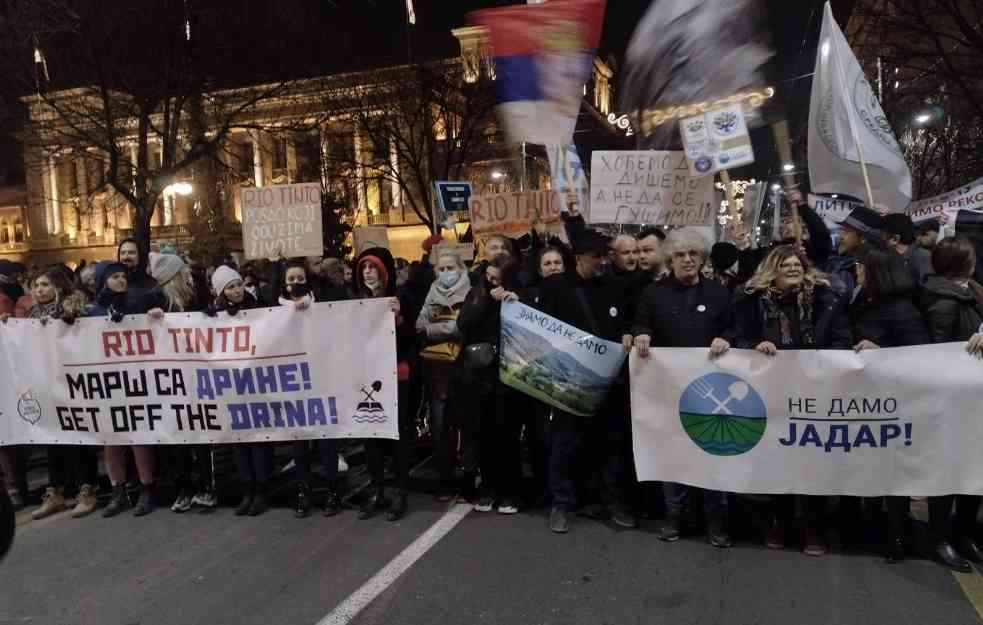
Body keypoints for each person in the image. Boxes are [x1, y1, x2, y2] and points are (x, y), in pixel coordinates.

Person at [729, 245, 852, 556]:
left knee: (812, 460)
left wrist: (828, 361)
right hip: (771, 390)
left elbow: (841, 338)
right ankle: (779, 522)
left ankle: (812, 527)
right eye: (787, 265)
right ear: (773, 270)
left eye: (798, 264)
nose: (794, 269)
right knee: (778, 457)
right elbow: (739, 337)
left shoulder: (826, 299)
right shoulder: (752, 301)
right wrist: (757, 345)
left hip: (815, 391)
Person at [633, 228, 735, 547]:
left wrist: (728, 338)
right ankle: (675, 516)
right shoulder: (653, 293)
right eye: (680, 255)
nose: (687, 259)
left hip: (712, 390)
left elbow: (736, 326)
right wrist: (641, 333)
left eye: (693, 254)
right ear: (670, 259)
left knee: (712, 453)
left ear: (702, 258)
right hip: (668, 389)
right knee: (673, 453)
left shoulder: (719, 294)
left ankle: (715, 519)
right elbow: (640, 322)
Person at [536, 230, 634, 533]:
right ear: (578, 258)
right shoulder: (554, 287)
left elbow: (627, 320)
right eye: (596, 257)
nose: (602, 262)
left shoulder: (613, 286)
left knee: (610, 445)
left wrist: (629, 332)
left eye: (604, 257)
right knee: (565, 444)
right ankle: (562, 504)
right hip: (569, 381)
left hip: (608, 381)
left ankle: (611, 501)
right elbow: (543, 330)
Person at [847, 247, 930, 562]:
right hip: (865, 401)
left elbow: (919, 357)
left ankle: (897, 534)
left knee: (893, 471)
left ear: (875, 272)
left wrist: (882, 351)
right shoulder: (865, 303)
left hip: (893, 404)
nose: (857, 272)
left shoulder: (902, 311)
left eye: (861, 268)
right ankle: (872, 523)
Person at [2, 269, 96, 519]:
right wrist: (8, 327)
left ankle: (87, 489)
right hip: (47, 385)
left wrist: (59, 323)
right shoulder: (32, 315)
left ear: (58, 286)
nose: (40, 289)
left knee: (78, 437)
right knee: (53, 439)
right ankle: (56, 492)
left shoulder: (74, 308)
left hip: (72, 383)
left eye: (45, 284)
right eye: (36, 285)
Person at [83, 260, 165, 518]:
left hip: (136, 380)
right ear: (102, 281)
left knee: (138, 436)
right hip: (107, 383)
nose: (121, 280)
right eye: (114, 276)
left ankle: (147, 488)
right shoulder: (92, 312)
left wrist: (155, 315)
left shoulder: (136, 304)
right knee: (112, 439)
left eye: (123, 276)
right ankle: (118, 491)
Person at [921, 237, 983, 572]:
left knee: (976, 468)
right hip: (952, 401)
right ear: (962, 263)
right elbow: (936, 352)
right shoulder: (944, 300)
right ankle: (940, 537)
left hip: (976, 397)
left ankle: (965, 533)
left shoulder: (971, 291)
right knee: (950, 470)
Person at [275, 259, 345, 518]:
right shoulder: (274, 311)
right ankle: (303, 492)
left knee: (327, 439)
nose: (295, 284)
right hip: (293, 383)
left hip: (322, 379)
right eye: (290, 279)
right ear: (283, 283)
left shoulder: (323, 302)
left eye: (300, 279)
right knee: (299, 441)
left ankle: (332, 491)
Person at [457, 256, 524, 515]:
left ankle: (510, 492)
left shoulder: (520, 295)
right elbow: (463, 323)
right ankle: (488, 487)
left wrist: (516, 304)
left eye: (498, 279)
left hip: (509, 377)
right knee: (483, 435)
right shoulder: (477, 294)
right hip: (481, 377)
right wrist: (486, 301)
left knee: (507, 436)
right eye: (490, 277)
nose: (492, 282)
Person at [208, 265, 274, 516]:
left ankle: (262, 489)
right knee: (240, 441)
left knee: (258, 438)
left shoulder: (257, 308)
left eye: (239, 284)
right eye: (231, 287)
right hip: (233, 385)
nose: (237, 290)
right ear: (221, 291)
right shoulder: (215, 314)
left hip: (257, 381)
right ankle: (247, 487)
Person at [354, 248, 412, 521]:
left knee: (397, 434)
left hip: (395, 376)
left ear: (384, 272)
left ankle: (400, 491)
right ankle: (377, 490)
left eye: (373, 268)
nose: (368, 272)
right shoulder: (354, 303)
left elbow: (412, 338)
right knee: (371, 434)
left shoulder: (401, 299)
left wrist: (399, 318)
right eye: (364, 268)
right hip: (366, 377)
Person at [416, 251, 471, 500]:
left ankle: (470, 477)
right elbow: (419, 325)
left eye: (450, 267)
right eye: (441, 269)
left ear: (460, 268)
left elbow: (464, 326)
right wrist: (448, 327)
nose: (445, 273)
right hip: (438, 370)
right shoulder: (432, 291)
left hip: (465, 367)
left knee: (467, 423)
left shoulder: (472, 289)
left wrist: (434, 328)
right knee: (439, 426)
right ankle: (445, 479)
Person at [826, 206, 885, 296]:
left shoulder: (867, 269)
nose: (841, 236)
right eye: (842, 230)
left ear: (863, 238)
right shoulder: (836, 260)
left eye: (847, 231)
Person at [883, 214, 933, 288]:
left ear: (895, 239)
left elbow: (928, 289)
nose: (880, 238)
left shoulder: (923, 257)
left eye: (882, 234)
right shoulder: (888, 257)